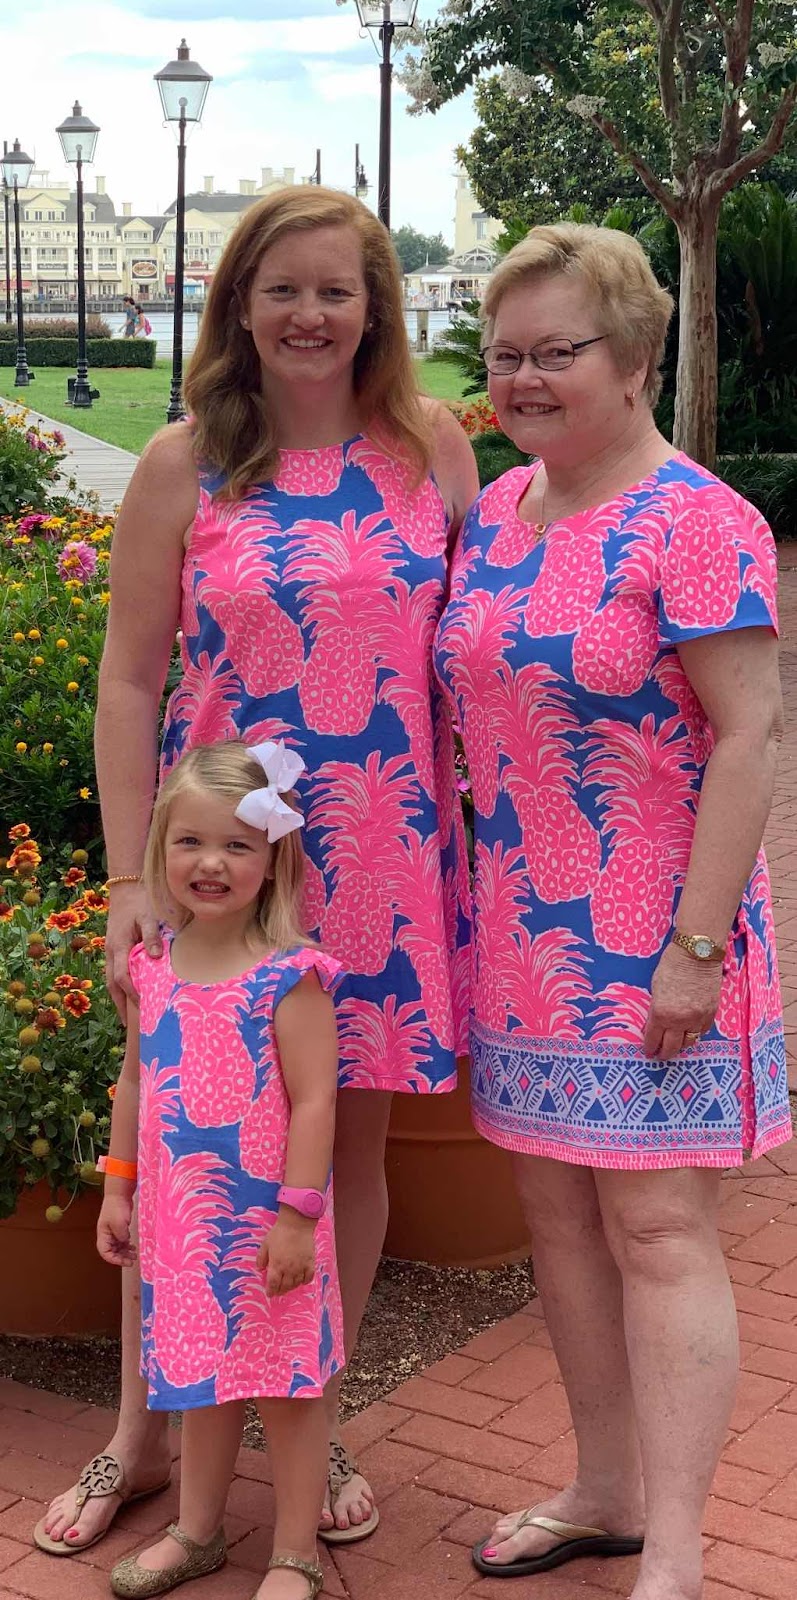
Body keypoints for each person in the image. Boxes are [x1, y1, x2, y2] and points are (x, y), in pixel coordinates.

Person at [37, 184, 478, 1558]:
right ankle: (139, 1438)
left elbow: (476, 650)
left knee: (340, 1149)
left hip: (384, 867)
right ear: (238, 303)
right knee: (180, 1145)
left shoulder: (431, 450)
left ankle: (310, 1415)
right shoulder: (186, 462)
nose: (308, 314)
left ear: (375, 307)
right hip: (219, 868)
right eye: (280, 288)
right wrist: (130, 882)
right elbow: (128, 681)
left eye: (336, 289)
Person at [434, 222, 791, 1599]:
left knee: (656, 1232)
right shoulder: (498, 515)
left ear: (636, 358)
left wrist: (696, 950)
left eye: (554, 351)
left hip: (657, 946)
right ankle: (602, 1490)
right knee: (560, 1222)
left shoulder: (697, 520)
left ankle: (679, 1555)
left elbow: (749, 737)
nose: (520, 378)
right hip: (522, 940)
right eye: (501, 354)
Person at [95, 739, 340, 1600]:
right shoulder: (152, 967)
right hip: (183, 1225)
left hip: (271, 1228)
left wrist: (297, 1218)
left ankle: (295, 1553)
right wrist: (118, 1186)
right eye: (190, 841)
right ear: (160, 849)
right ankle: (196, 1530)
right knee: (200, 1380)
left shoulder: (290, 976)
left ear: (272, 861)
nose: (210, 863)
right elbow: (136, 1081)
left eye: (237, 845)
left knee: (288, 1388)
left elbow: (315, 1101)